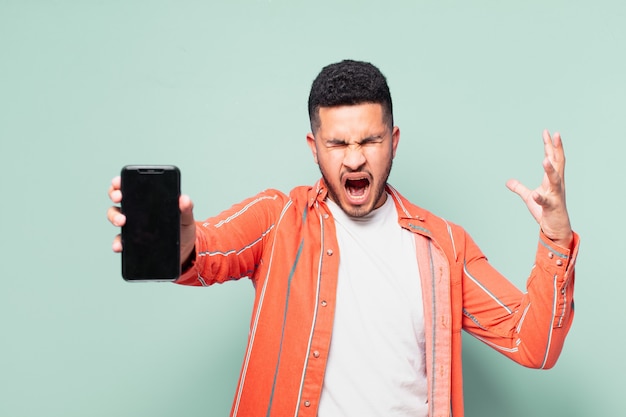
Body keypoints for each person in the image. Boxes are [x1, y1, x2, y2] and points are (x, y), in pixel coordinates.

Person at [107, 59, 579, 417]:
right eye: (337, 144)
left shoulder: (445, 246)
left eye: (369, 141)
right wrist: (179, 240)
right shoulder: (279, 218)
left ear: (394, 141)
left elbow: (532, 344)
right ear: (315, 148)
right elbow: (210, 251)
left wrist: (556, 239)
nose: (354, 160)